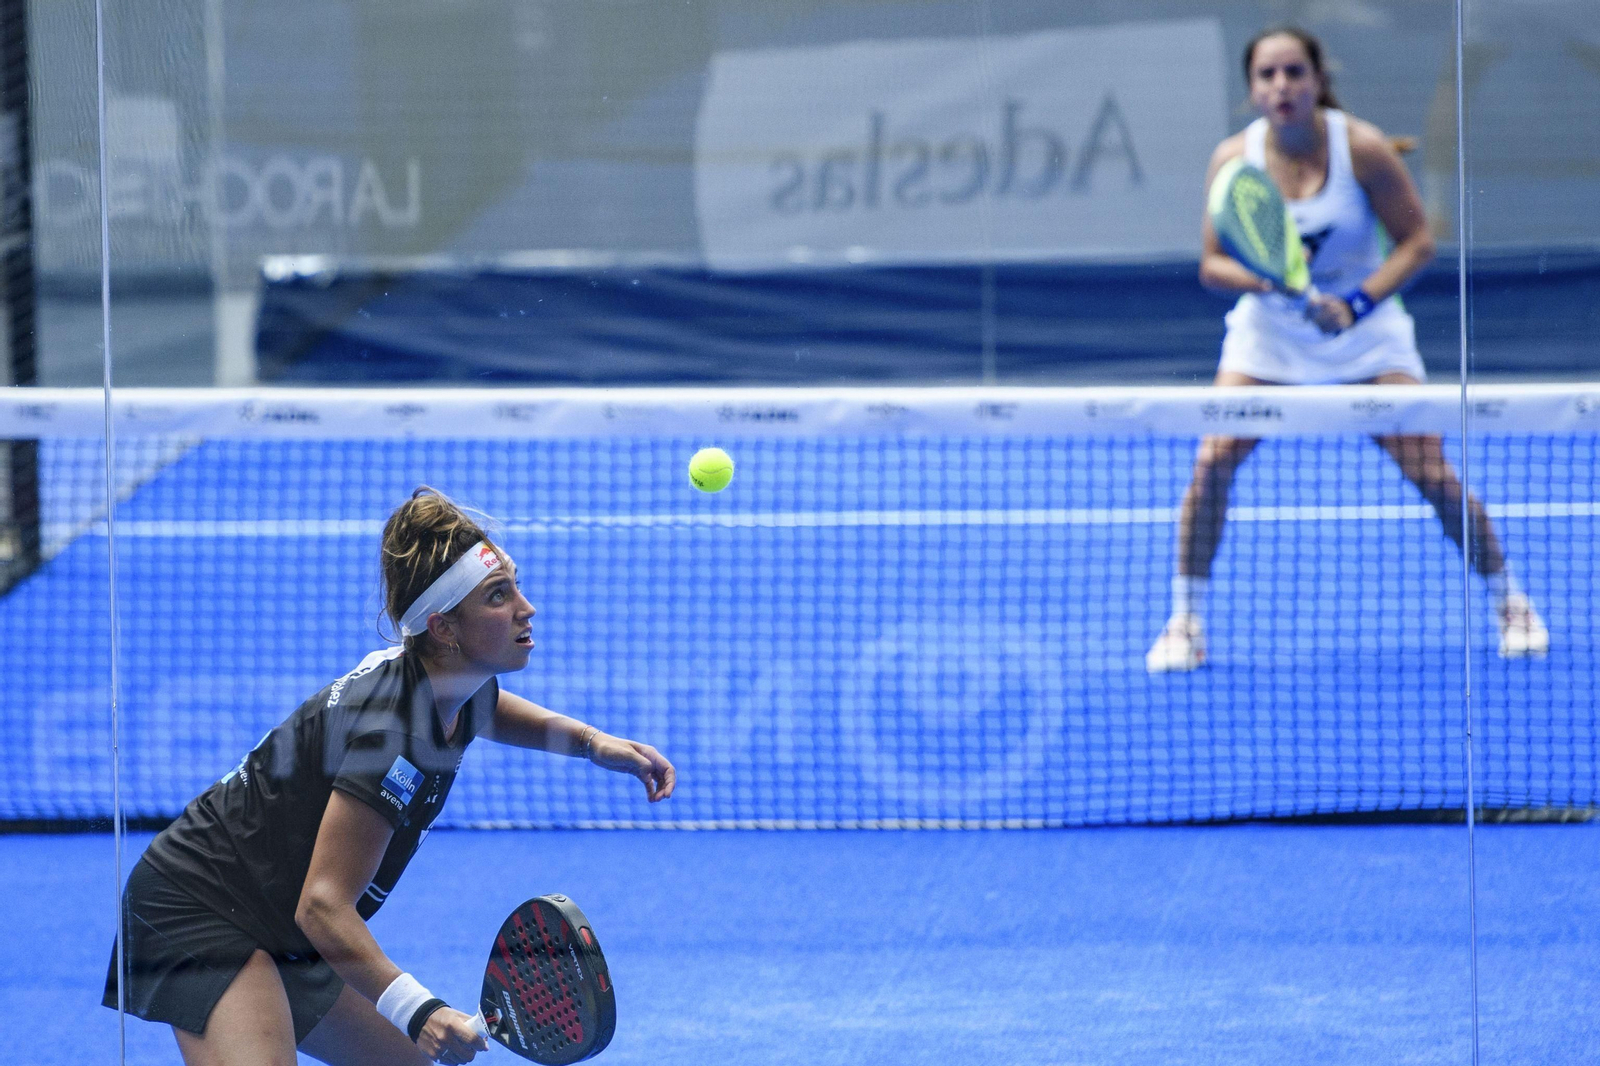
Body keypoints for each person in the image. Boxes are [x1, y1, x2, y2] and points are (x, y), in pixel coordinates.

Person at [103, 487, 676, 1065]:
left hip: (282, 921)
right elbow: (324, 906)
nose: (527, 608)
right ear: (444, 627)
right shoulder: (394, 740)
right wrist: (419, 1010)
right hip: (200, 904)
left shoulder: (443, 680)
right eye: (499, 597)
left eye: (516, 586)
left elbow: (487, 705)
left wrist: (590, 743)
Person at [1146, 27, 1549, 673]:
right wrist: (1271, 279)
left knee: (1430, 472)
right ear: (1252, 90)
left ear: (1316, 81)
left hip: (1366, 334)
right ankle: (1185, 620)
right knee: (1212, 462)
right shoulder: (1234, 159)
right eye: (1269, 75)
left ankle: (1510, 602)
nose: (1282, 86)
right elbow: (1213, 264)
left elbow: (1417, 242)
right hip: (1270, 335)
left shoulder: (1360, 149)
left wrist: (1355, 303)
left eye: (1294, 73)